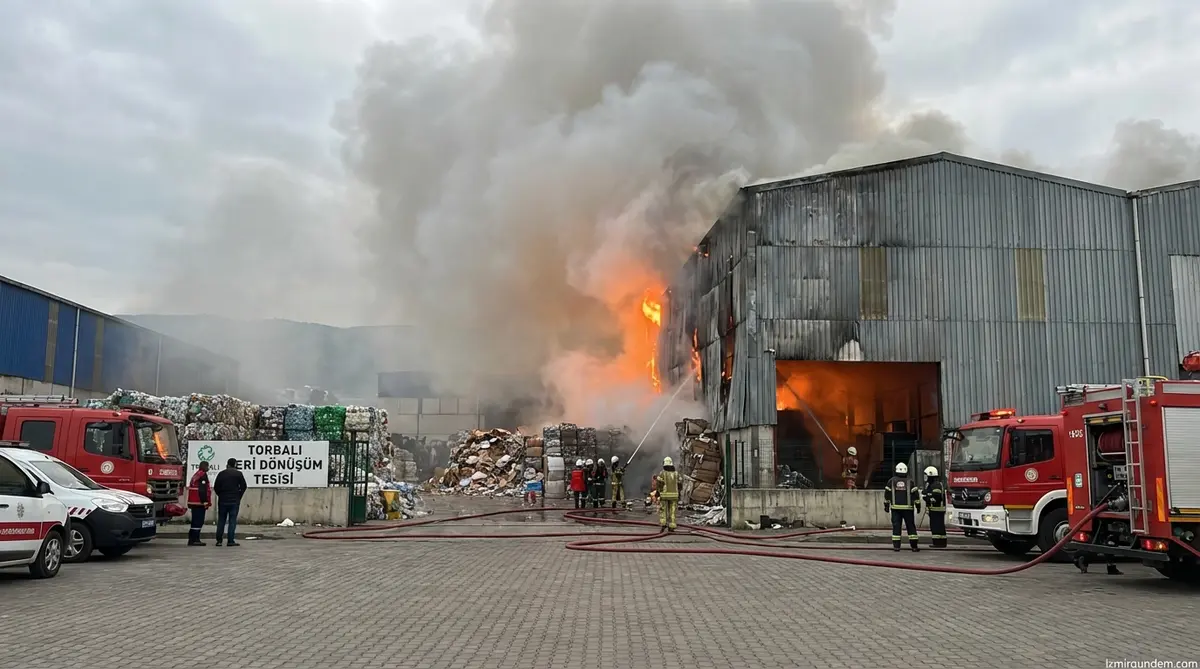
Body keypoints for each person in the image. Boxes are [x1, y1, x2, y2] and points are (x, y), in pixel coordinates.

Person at [884, 462, 920, 552]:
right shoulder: (910, 481)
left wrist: (886, 506)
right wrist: (918, 506)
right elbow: (915, 495)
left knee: (896, 527)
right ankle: (914, 547)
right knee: (911, 527)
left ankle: (896, 547)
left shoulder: (891, 481)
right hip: (908, 509)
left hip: (895, 509)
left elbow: (887, 495)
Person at [213, 457, 247, 547]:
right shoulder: (238, 474)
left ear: (227, 464)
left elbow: (216, 487)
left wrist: (220, 494)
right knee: (232, 521)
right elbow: (244, 486)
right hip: (234, 501)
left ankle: (219, 540)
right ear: (235, 464)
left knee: (221, 520)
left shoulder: (221, 474)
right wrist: (239, 496)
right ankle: (230, 540)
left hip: (223, 500)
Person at [186, 461, 212, 546]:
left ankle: (191, 539)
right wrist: (205, 502)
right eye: (207, 466)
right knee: (198, 521)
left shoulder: (196, 475)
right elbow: (202, 490)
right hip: (199, 502)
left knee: (194, 521)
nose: (208, 468)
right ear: (204, 467)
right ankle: (195, 539)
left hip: (193, 502)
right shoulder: (202, 475)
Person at [653, 456, 680, 532]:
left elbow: (659, 483)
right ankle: (672, 525)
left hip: (664, 495)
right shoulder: (676, 473)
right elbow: (680, 483)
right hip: (674, 496)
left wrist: (658, 492)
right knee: (673, 511)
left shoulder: (662, 473)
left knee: (663, 510)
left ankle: (663, 524)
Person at [922, 466, 947, 548]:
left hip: (937, 509)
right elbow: (925, 492)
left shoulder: (936, 485)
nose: (925, 477)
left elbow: (936, 497)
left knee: (936, 526)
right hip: (934, 509)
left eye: (926, 475)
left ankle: (938, 543)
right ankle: (940, 542)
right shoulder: (931, 484)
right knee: (937, 526)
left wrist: (927, 498)